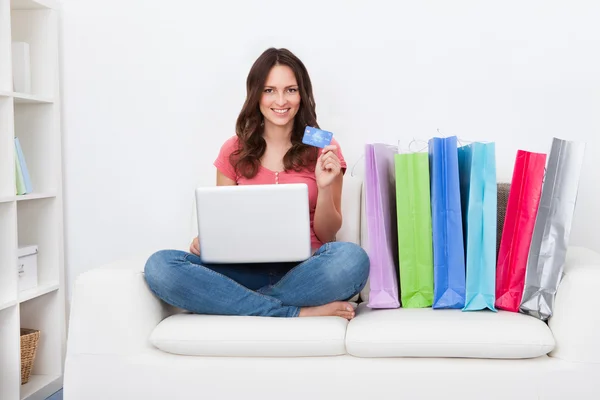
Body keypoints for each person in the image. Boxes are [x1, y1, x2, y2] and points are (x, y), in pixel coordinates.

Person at [144, 48, 369, 320]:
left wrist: (323, 187)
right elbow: (223, 225)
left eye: (291, 90)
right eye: (269, 90)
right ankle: (293, 312)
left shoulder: (322, 144)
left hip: (304, 270)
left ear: (303, 94)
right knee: (160, 266)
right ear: (256, 95)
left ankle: (230, 303)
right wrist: (207, 241)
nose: (281, 100)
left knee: (352, 259)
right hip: (243, 271)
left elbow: (327, 233)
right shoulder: (234, 149)